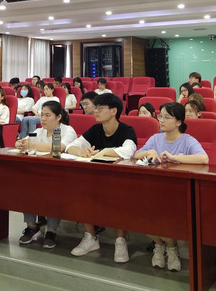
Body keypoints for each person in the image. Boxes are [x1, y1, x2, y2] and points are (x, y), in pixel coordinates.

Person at [133, 102, 208, 271]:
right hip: (154, 189)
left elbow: (203, 159)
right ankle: (160, 245)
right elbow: (136, 154)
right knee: (140, 213)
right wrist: (149, 152)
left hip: (178, 192)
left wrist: (175, 157)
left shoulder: (188, 140)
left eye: (167, 117)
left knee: (166, 213)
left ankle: (172, 248)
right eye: (160, 116)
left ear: (179, 122)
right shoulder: (155, 138)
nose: (161, 120)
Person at [66, 93, 137, 263]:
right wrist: (81, 151)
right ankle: (90, 237)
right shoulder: (95, 129)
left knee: (120, 197)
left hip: (120, 180)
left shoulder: (127, 130)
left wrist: (101, 152)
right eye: (95, 107)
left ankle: (120, 240)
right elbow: (70, 146)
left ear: (114, 111)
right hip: (95, 178)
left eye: (100, 108)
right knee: (81, 192)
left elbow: (128, 151)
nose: (95, 111)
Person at [14, 101, 77, 249]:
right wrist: (20, 144)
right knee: (26, 187)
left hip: (62, 176)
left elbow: (58, 147)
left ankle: (51, 231)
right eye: (42, 115)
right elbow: (24, 141)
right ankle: (32, 227)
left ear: (58, 117)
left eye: (47, 115)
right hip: (39, 173)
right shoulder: (39, 130)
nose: (43, 119)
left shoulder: (67, 131)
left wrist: (32, 145)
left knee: (53, 191)